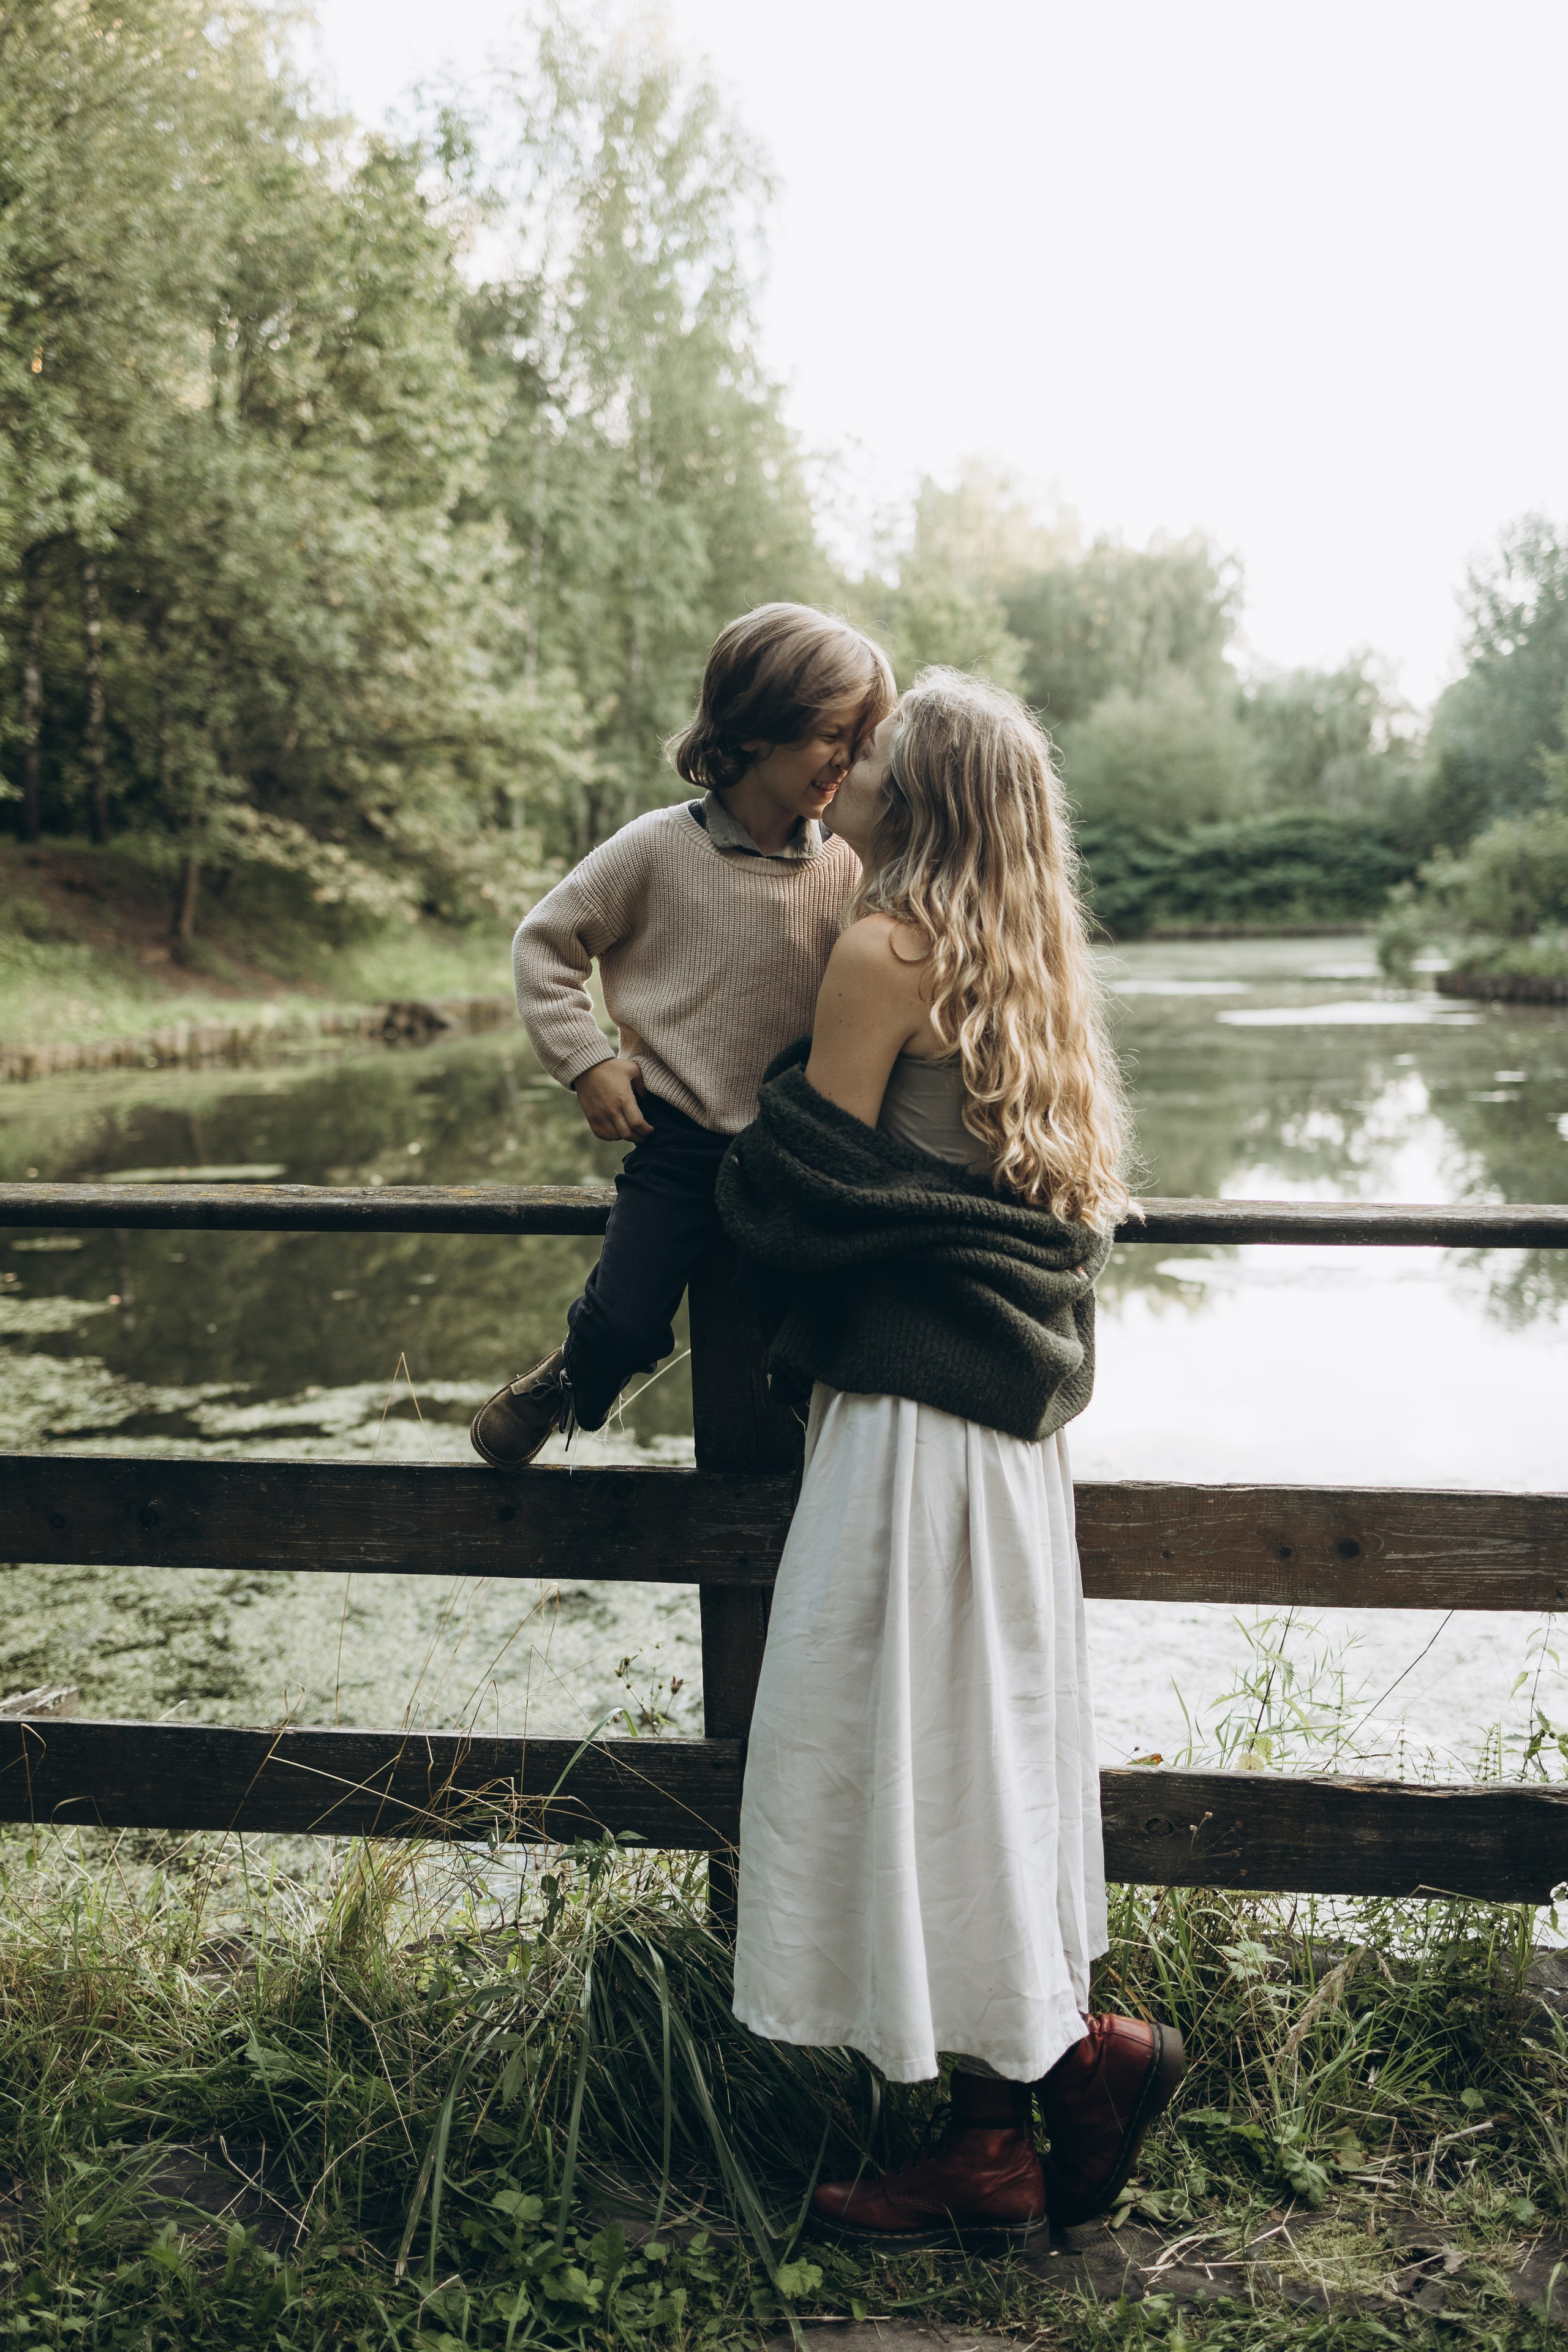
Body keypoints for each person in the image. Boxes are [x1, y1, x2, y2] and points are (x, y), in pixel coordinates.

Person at [717, 668, 1185, 2245]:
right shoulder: (1030, 962)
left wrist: (718, 1128)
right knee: (980, 1758)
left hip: (912, 1429)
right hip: (1006, 1439)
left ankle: (1062, 2076)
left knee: (908, 1754)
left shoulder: (884, 951)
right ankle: (1008, 2123)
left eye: (871, 751)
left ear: (910, 799)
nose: (842, 765)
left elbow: (800, 1196)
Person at [470, 603, 895, 1468]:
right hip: (677, 1139)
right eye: (830, 735)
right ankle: (570, 1375)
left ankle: (816, 1477)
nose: (847, 762)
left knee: (806, 1328)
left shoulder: (852, 865)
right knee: (625, 1320)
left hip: (797, 1151)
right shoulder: (656, 849)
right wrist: (588, 1062)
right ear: (754, 727)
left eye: (861, 743)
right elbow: (543, 947)